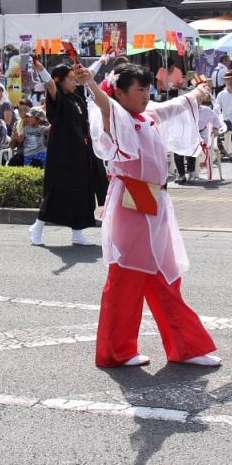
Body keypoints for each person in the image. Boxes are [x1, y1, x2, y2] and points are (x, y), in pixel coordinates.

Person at [81, 63, 221, 368]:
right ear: (119, 92)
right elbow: (107, 106)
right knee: (126, 277)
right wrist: (92, 85)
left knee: (165, 274)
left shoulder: (148, 116)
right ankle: (117, 350)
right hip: (131, 205)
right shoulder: (117, 118)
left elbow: (173, 106)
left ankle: (187, 346)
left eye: (148, 89)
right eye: (139, 90)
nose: (145, 96)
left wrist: (199, 91)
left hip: (154, 202)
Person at [29, 59, 105, 247]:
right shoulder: (57, 98)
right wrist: (42, 70)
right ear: (60, 81)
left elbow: (90, 76)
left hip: (81, 151)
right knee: (57, 189)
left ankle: (78, 233)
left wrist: (102, 60)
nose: (74, 82)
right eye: (70, 79)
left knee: (82, 190)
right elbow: (50, 84)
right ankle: (37, 227)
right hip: (63, 153)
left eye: (74, 79)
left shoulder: (77, 95)